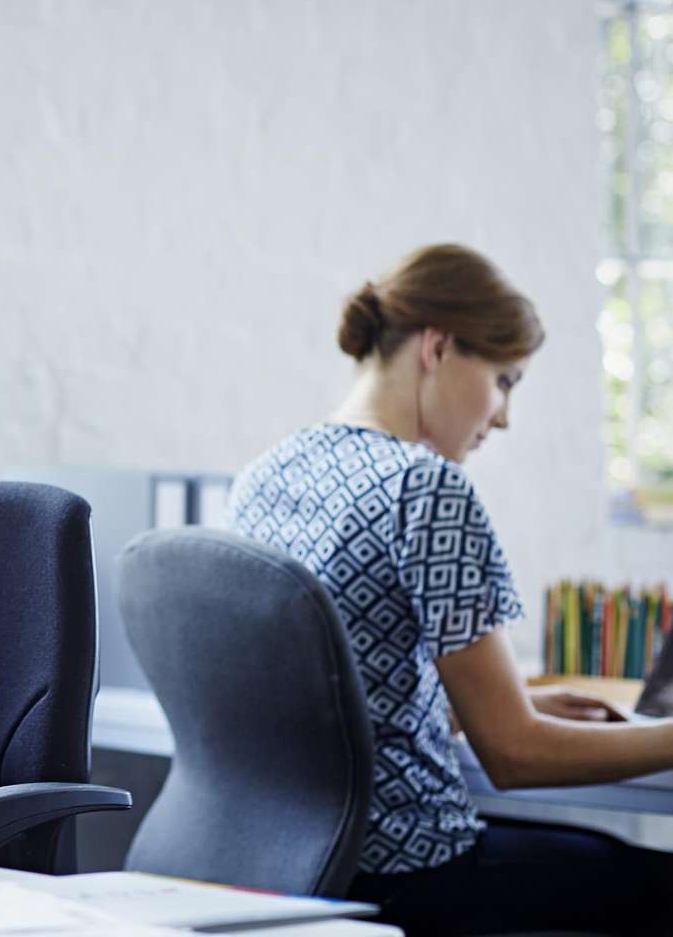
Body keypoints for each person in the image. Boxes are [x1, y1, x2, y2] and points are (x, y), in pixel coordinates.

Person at [228, 243, 673, 935]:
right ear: (437, 347)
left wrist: (498, 703)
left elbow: (347, 697)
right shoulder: (424, 487)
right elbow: (515, 754)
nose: (502, 416)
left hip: (286, 862)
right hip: (412, 870)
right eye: (505, 380)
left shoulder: (266, 475)